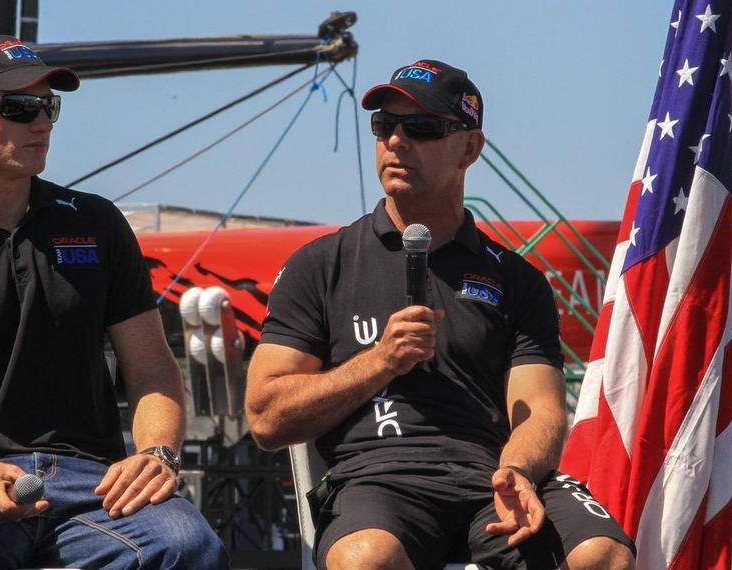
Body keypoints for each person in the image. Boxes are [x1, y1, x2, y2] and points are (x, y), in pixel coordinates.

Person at [0, 35, 229, 569]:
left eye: (48, 106)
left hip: (93, 479)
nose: (41, 122)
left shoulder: (97, 226)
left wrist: (156, 453)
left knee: (189, 547)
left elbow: (153, 372)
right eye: (19, 107)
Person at [245, 60, 636, 570]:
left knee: (602, 556)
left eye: (422, 128)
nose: (396, 141)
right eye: (384, 126)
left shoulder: (518, 280)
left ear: (470, 148)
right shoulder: (319, 265)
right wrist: (381, 360)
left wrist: (516, 469)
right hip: (379, 483)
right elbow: (265, 416)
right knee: (365, 561)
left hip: (492, 478)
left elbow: (540, 410)